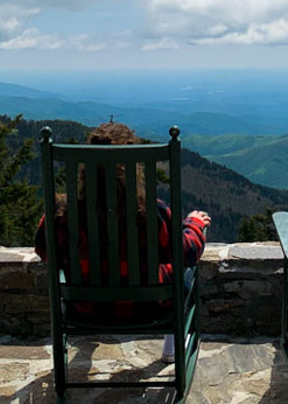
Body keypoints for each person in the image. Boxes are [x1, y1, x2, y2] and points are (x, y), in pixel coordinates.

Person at [35, 122, 211, 361]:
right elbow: (186, 253)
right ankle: (172, 346)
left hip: (84, 308)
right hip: (147, 308)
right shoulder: (150, 213)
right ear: (133, 166)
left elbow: (44, 251)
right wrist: (194, 225)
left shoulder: (62, 214)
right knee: (184, 279)